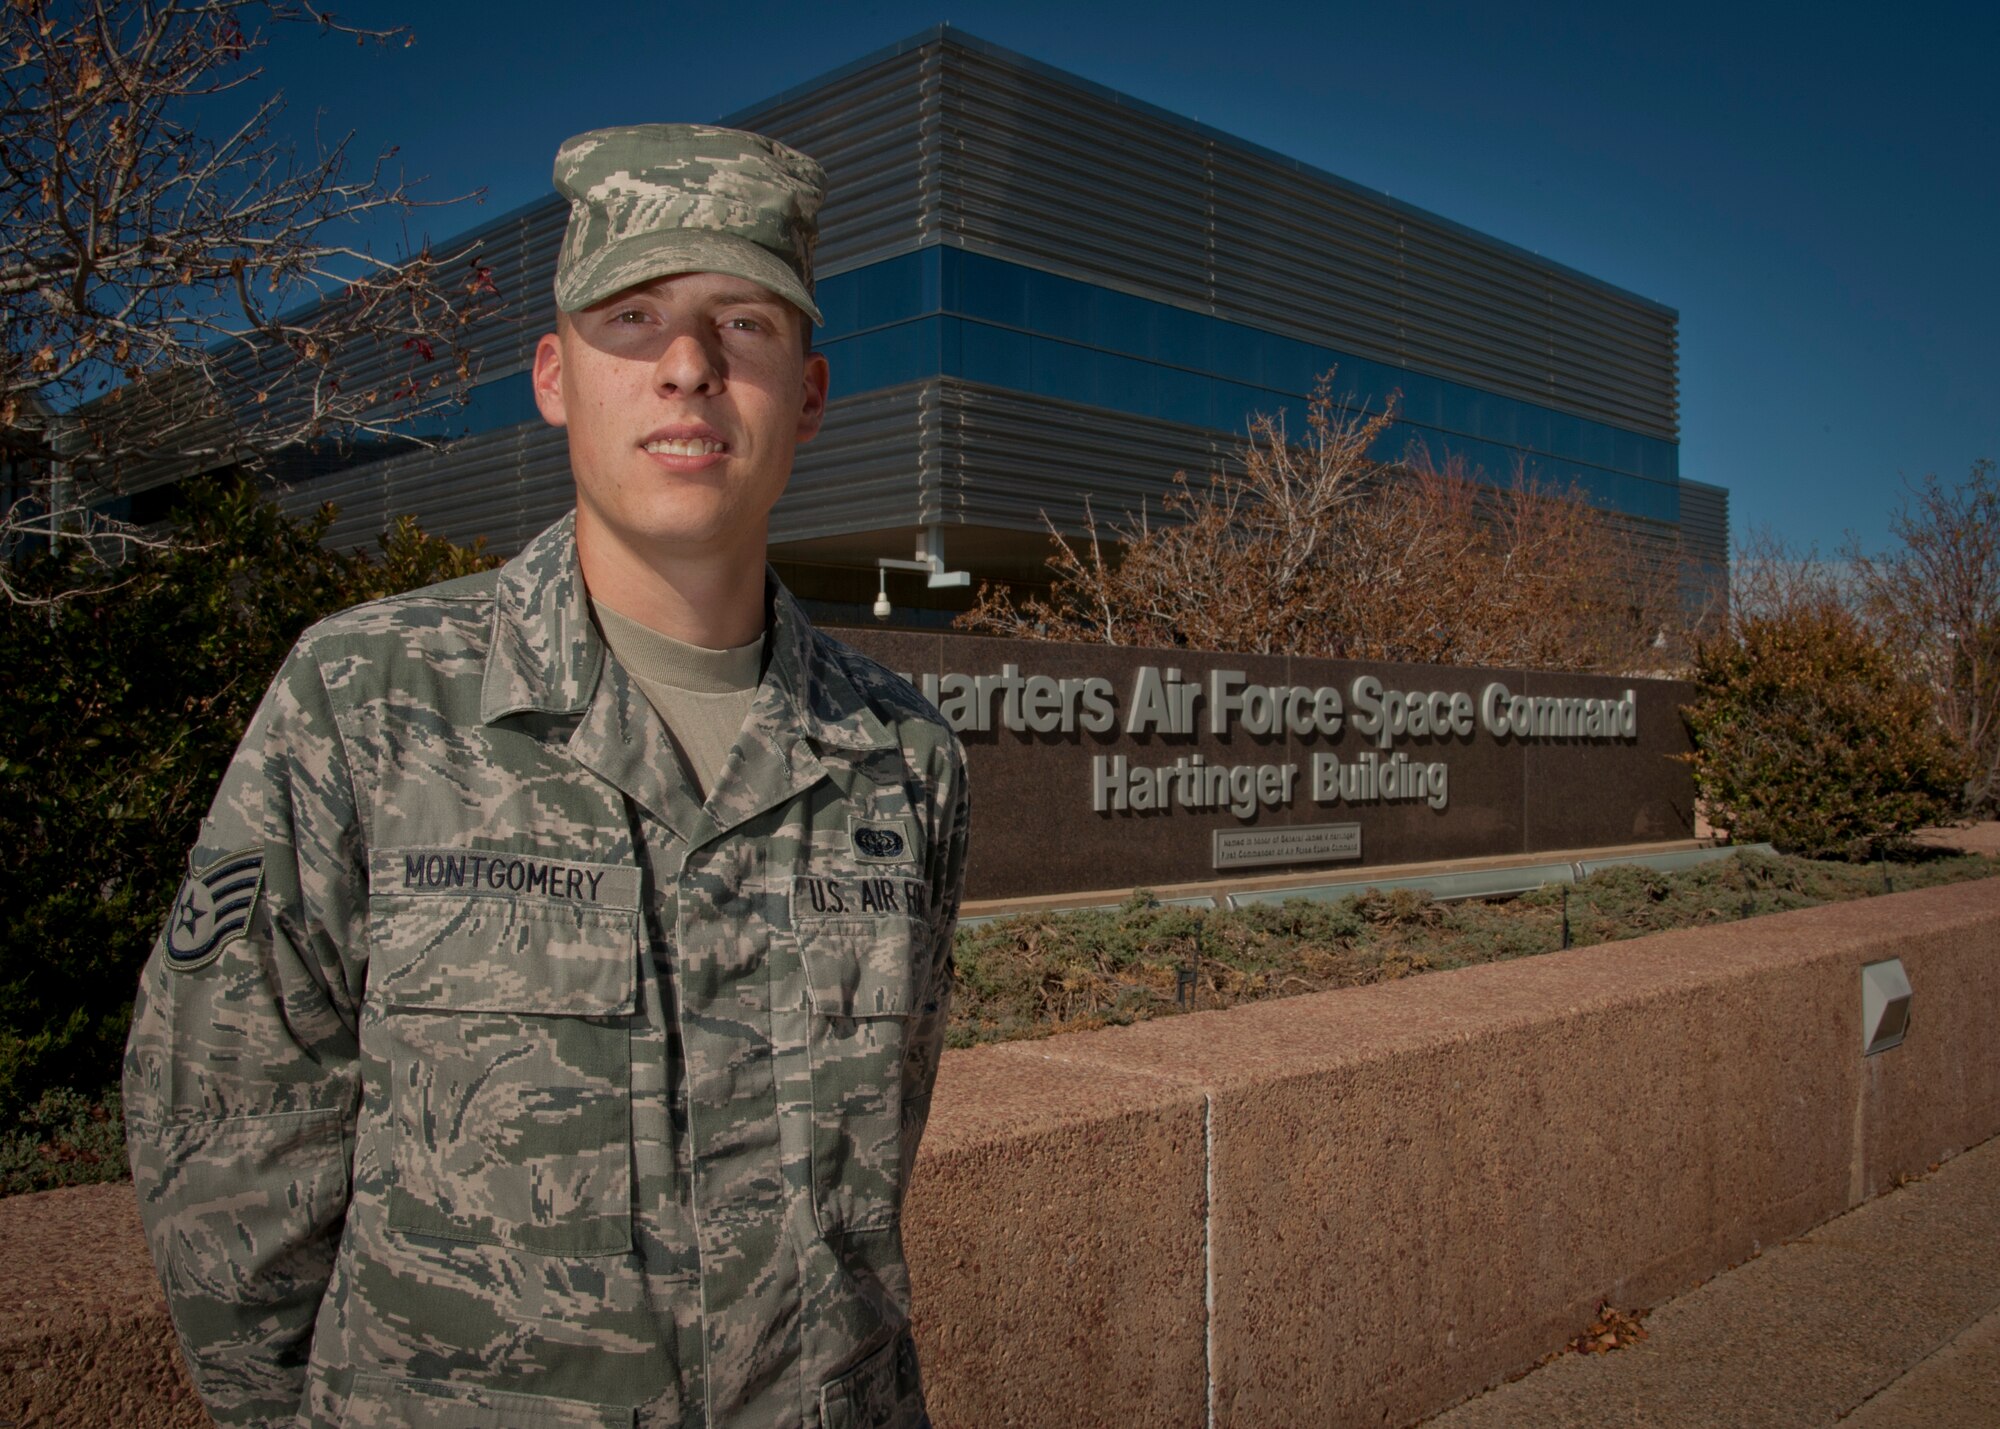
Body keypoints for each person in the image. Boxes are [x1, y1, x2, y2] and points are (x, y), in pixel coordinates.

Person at [123, 123, 969, 1429]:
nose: (688, 367)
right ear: (554, 376)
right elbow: (224, 1134)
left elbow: (870, 1171)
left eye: (744, 323)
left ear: (806, 392)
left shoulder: (902, 761)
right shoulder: (366, 706)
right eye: (633, 318)